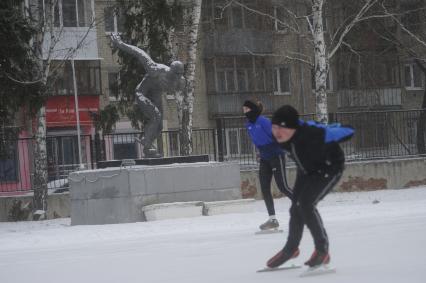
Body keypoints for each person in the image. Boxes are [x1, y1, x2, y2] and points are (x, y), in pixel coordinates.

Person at [267, 105, 353, 268]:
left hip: (330, 167)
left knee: (305, 205)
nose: (277, 132)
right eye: (275, 127)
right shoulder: (280, 137)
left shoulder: (312, 133)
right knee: (295, 208)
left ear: (292, 128)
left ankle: (322, 250)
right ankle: (291, 249)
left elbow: (347, 131)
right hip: (306, 170)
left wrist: (338, 129)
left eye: (282, 128)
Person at [243, 100, 293, 231]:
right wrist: (260, 152)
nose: (244, 112)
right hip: (265, 158)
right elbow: (256, 140)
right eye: (243, 109)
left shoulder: (263, 121)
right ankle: (272, 219)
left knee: (283, 187)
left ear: (253, 109)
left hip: (276, 155)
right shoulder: (248, 124)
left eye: (246, 109)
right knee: (264, 188)